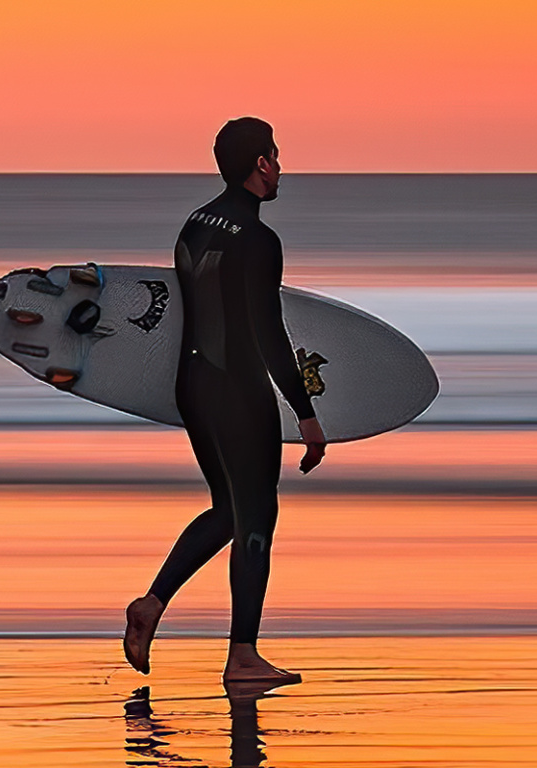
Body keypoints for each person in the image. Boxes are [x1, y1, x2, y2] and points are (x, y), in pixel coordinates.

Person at [123, 117, 326, 685]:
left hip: (194, 387)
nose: (281, 167)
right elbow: (267, 332)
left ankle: (152, 604)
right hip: (238, 390)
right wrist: (306, 416)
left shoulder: (193, 224)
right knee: (258, 514)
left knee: (229, 511)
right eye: (276, 157)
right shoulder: (260, 241)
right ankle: (243, 656)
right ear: (260, 165)